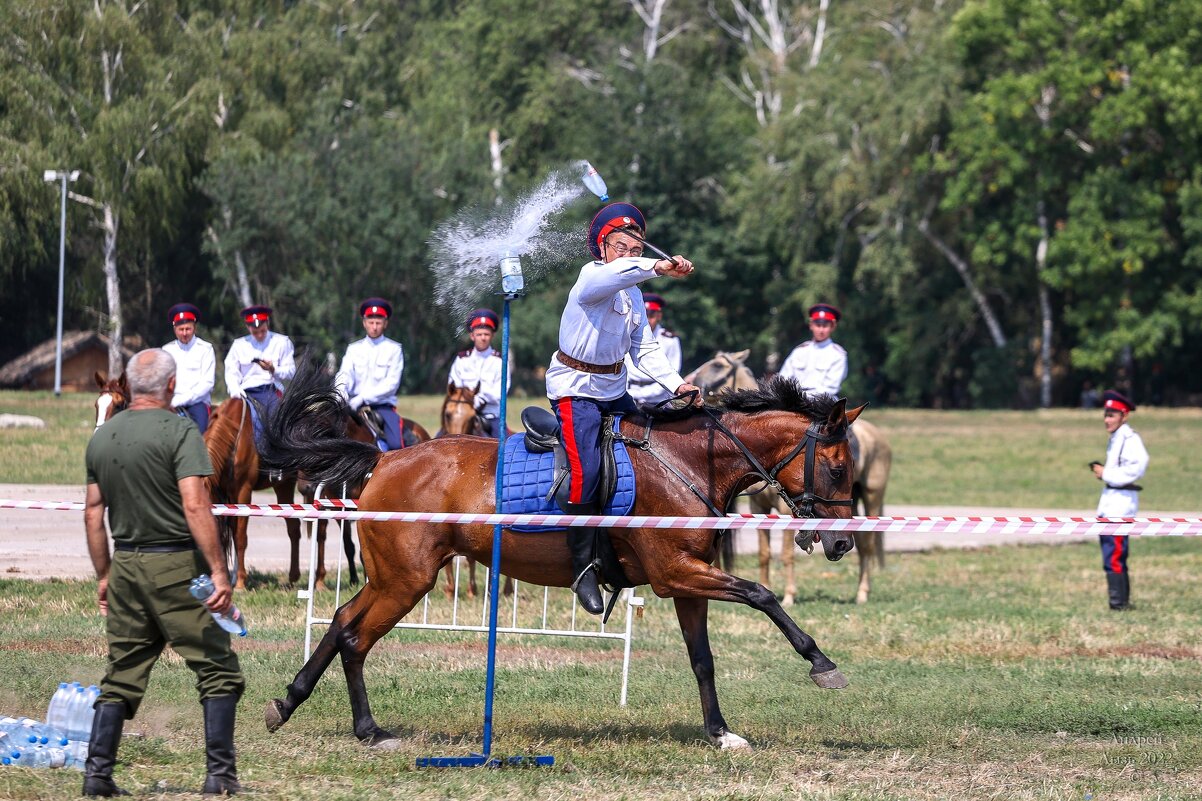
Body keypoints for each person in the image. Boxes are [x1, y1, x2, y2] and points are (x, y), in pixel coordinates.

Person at [83, 349, 245, 797]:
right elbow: (195, 504)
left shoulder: (102, 437)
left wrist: (104, 574)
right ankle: (219, 777)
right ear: (170, 387)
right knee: (217, 668)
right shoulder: (181, 432)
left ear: (130, 388)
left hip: (127, 567)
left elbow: (93, 514)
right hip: (176, 564)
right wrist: (218, 570)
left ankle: (97, 776)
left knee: (121, 673)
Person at [546, 201, 700, 614]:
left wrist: (677, 383)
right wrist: (658, 267)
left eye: (636, 245)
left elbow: (645, 352)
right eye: (621, 244)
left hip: (614, 388)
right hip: (574, 388)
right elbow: (619, 272)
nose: (629, 252)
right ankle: (582, 569)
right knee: (588, 472)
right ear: (602, 248)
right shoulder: (592, 277)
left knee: (649, 454)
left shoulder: (632, 294)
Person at [1090, 389, 1149, 611]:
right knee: (1111, 553)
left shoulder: (1130, 438)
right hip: (1110, 501)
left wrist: (1106, 474)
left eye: (1112, 415)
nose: (1107, 420)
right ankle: (1120, 602)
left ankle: (1118, 604)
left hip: (1121, 502)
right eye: (1106, 414)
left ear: (1124, 416)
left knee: (1114, 554)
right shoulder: (1116, 438)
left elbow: (1138, 466)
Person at [335, 298, 405, 450]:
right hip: (351, 406)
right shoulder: (353, 349)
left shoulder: (394, 349)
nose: (374, 327)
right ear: (364, 322)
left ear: (385, 323)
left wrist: (363, 398)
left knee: (396, 445)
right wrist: (340, 394)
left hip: (382, 407)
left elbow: (391, 385)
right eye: (371, 322)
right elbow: (343, 374)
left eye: (378, 323)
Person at [223, 305, 296, 420]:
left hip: (271, 390)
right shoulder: (239, 345)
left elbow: (291, 372)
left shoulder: (281, 342)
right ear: (248, 327)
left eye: (263, 331)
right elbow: (231, 372)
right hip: (245, 391)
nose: (260, 335)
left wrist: (273, 369)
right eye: (255, 332)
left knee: (274, 421)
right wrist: (235, 391)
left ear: (267, 323)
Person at [447, 308, 508, 438]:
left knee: (504, 449)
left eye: (486, 334)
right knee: (437, 440)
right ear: (472, 336)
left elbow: (500, 392)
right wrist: (468, 401)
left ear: (492, 335)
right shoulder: (462, 359)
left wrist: (479, 399)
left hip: (490, 416)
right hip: (462, 413)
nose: (483, 338)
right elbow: (454, 385)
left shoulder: (499, 361)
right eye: (479, 334)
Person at [162, 303, 216, 434]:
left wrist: (182, 399)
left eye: (188, 329)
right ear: (174, 328)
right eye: (181, 329)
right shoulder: (166, 350)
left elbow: (207, 383)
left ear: (194, 327)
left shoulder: (205, 349)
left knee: (201, 435)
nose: (184, 333)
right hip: (171, 402)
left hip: (197, 403)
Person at [778, 303, 848, 397]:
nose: (821, 330)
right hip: (794, 400)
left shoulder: (838, 355)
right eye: (818, 325)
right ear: (811, 325)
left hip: (823, 402)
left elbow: (830, 388)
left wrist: (802, 399)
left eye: (825, 326)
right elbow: (783, 379)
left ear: (832, 327)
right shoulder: (799, 351)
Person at [624, 292, 682, 405]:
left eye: (651, 316)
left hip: (658, 400)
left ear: (659, 316)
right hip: (628, 395)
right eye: (644, 315)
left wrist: (639, 395)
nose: (647, 320)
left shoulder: (670, 340)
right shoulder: (626, 335)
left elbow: (673, 374)